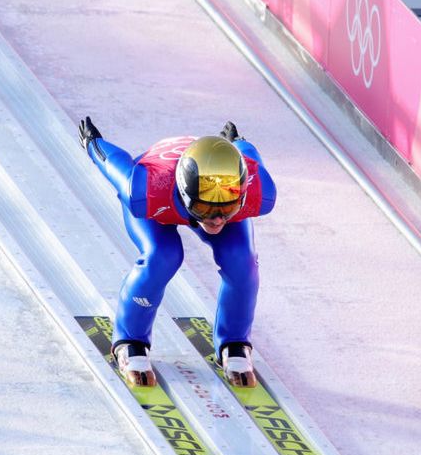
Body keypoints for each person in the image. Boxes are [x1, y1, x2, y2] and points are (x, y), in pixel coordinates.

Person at [78, 116, 276, 388]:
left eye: (227, 208)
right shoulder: (145, 189)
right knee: (162, 255)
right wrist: (94, 143)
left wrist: (238, 144)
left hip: (189, 190)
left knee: (242, 262)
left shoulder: (259, 190)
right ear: (184, 194)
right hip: (161, 197)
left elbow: (250, 159)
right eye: (206, 210)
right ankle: (130, 339)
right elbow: (115, 165)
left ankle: (235, 342)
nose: (217, 219)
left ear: (242, 194)